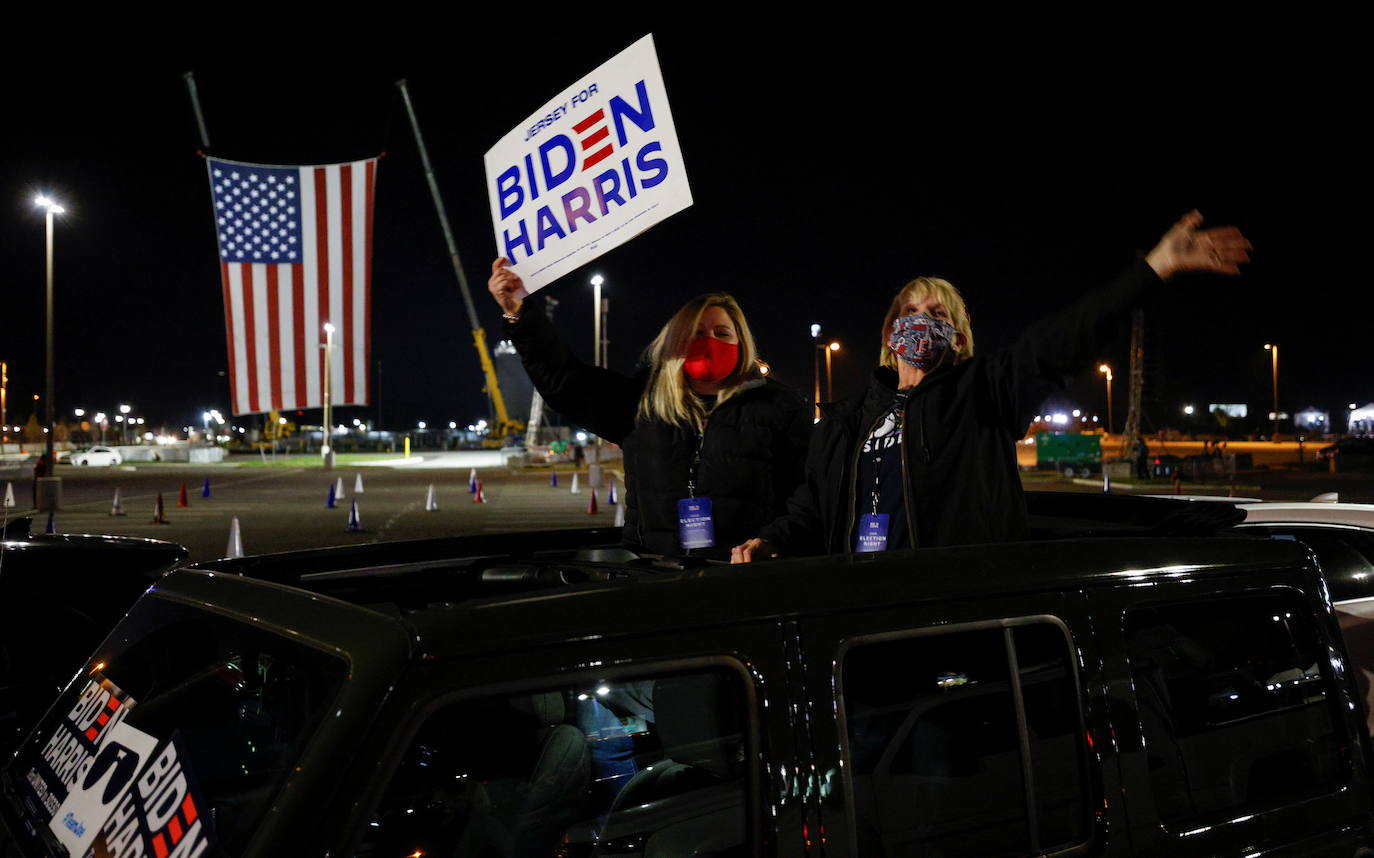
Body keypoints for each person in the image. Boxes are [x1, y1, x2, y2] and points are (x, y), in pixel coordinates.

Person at [732, 212, 1250, 562]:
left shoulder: (983, 393)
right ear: (890, 331)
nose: (920, 320)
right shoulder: (847, 420)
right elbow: (812, 510)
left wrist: (1155, 267)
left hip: (953, 617)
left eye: (936, 314)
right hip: (859, 622)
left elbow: (1059, 342)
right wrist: (770, 541)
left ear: (957, 337)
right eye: (910, 312)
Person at [488, 258, 810, 557]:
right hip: (655, 575)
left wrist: (774, 541)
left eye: (721, 332)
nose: (709, 340)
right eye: (696, 333)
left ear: (741, 345)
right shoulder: (641, 402)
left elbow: (808, 492)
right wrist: (519, 313)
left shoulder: (778, 405)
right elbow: (563, 380)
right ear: (675, 342)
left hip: (743, 578)